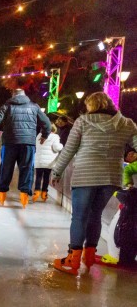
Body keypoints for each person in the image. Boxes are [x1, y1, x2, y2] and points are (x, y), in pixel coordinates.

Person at [51, 92, 137, 275]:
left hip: (85, 175)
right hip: (111, 177)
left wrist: (57, 171)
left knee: (80, 217)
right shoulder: (126, 124)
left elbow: (69, 149)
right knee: (95, 215)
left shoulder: (82, 122)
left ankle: (72, 259)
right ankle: (89, 256)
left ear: (91, 106)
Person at [0, 88, 51, 208]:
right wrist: (45, 135)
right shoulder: (34, 107)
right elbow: (47, 123)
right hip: (28, 143)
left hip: (10, 142)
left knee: (6, 167)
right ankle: (24, 197)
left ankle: (2, 195)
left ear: (13, 95)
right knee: (27, 169)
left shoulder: (7, 106)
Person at [33, 124, 63, 202]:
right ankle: (44, 194)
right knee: (46, 178)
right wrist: (61, 146)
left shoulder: (39, 135)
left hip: (39, 160)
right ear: (54, 130)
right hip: (49, 162)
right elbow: (56, 148)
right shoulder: (55, 137)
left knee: (38, 177)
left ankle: (36, 192)